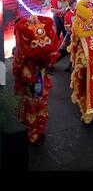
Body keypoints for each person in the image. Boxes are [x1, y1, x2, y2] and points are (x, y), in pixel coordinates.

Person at [12, 15, 59, 144]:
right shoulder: (20, 52)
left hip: (38, 77)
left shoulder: (22, 51)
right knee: (35, 104)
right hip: (33, 79)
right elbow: (19, 71)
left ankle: (37, 130)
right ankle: (34, 132)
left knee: (38, 103)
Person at [56, 0, 77, 72]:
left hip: (78, 34)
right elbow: (67, 28)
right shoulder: (68, 15)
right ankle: (51, 63)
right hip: (70, 34)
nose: (76, 6)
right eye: (75, 5)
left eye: (76, 4)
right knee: (62, 49)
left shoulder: (79, 12)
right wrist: (73, 35)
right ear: (70, 6)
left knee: (75, 50)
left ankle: (71, 66)